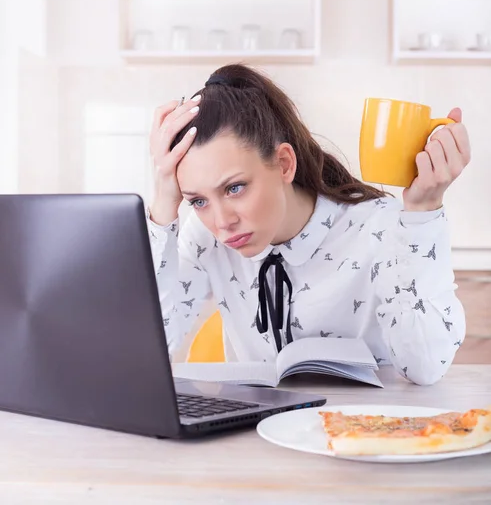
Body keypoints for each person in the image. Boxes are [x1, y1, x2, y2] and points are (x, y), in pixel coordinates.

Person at [147, 63, 470, 385]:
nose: (222, 222)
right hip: (254, 430)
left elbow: (425, 368)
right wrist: (164, 202)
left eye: (235, 188)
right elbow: (149, 351)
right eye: (198, 201)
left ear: (284, 164)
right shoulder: (204, 236)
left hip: (366, 426)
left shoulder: (379, 224)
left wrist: (422, 213)